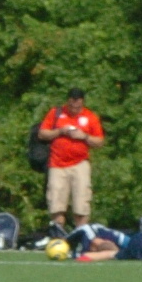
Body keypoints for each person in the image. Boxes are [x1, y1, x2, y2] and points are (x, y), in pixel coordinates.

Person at [39, 88, 106, 233]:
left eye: (78, 104)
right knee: (56, 202)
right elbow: (42, 133)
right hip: (57, 164)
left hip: (80, 163)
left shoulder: (90, 117)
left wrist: (84, 136)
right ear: (67, 101)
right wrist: (60, 131)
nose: (74, 107)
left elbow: (100, 141)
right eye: (71, 104)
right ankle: (58, 233)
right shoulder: (56, 113)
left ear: (82, 102)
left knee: (81, 203)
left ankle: (81, 233)